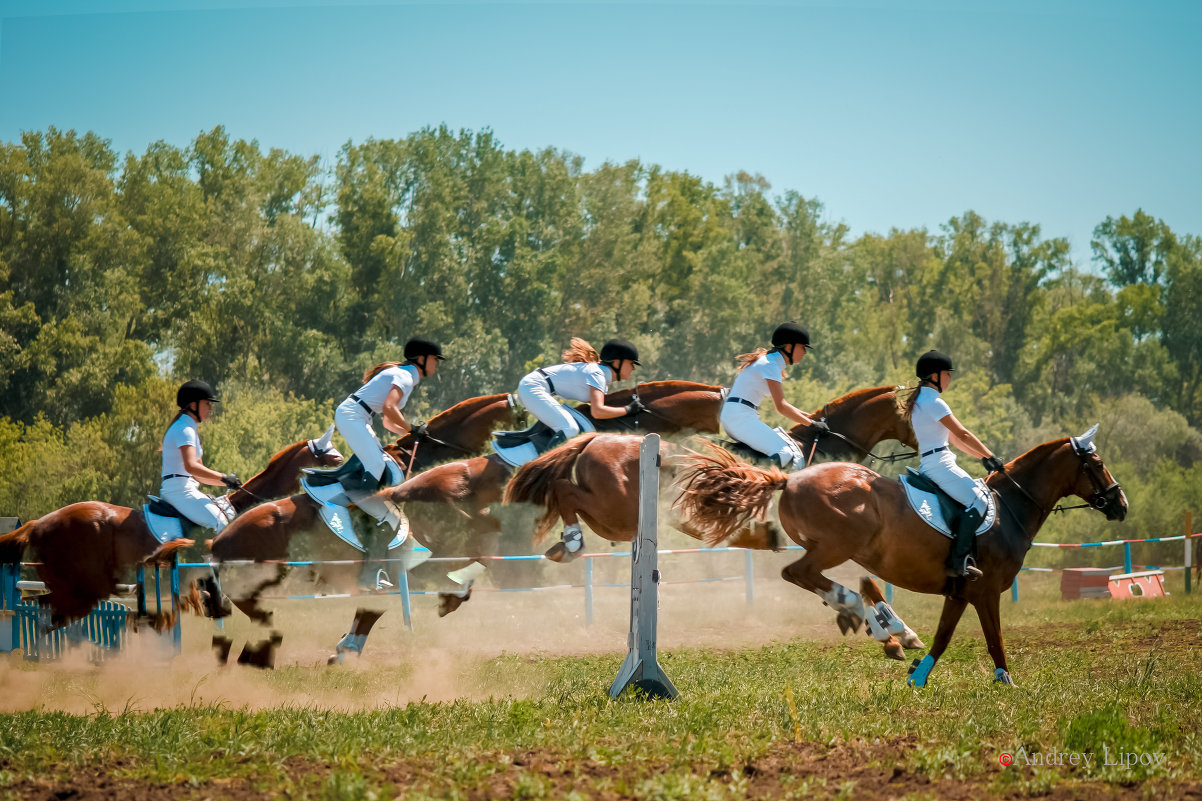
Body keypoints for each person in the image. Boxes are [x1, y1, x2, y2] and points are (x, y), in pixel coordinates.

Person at [899, 350, 1005, 580]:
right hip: (940, 464)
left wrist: (983, 458)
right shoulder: (934, 402)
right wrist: (991, 454)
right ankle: (959, 561)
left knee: (974, 498)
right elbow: (963, 433)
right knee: (979, 500)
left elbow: (955, 440)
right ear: (935, 375)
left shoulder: (920, 400)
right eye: (947, 373)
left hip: (934, 461)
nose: (950, 378)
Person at [337, 337, 444, 492]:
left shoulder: (406, 376)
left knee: (381, 462)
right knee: (377, 464)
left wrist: (410, 433)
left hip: (358, 416)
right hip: (351, 415)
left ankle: (352, 494)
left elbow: (388, 422)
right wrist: (412, 428)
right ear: (421, 359)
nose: (437, 363)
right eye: (434, 359)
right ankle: (361, 505)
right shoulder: (405, 376)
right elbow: (389, 408)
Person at [720, 322, 829, 470]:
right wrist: (811, 424)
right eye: (802, 347)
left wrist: (811, 418)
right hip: (740, 418)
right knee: (784, 453)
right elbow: (782, 407)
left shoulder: (769, 362)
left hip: (738, 415)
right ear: (789, 347)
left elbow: (785, 405)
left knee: (780, 451)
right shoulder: (770, 365)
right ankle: (754, 487)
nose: (805, 352)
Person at [516, 337, 644, 449]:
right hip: (532, 387)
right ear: (617, 362)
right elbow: (598, 411)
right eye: (631, 363)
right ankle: (544, 471)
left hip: (535, 387)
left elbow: (602, 410)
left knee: (569, 427)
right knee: (570, 428)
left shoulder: (601, 378)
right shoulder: (597, 374)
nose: (633, 368)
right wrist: (628, 409)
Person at [160, 380, 243, 533]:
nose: (210, 408)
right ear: (193, 405)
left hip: (186, 488)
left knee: (225, 516)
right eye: (207, 403)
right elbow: (191, 466)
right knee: (221, 525)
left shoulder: (189, 429)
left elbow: (200, 475)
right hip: (179, 491)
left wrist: (227, 484)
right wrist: (224, 477)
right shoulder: (184, 429)